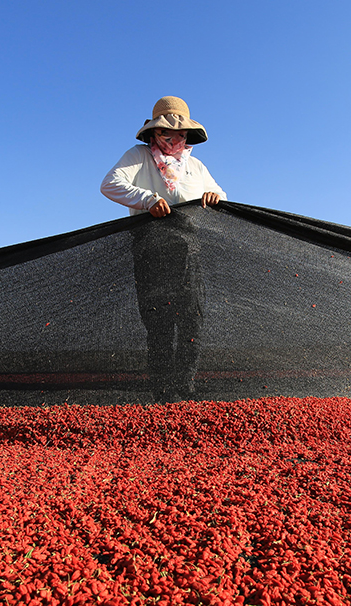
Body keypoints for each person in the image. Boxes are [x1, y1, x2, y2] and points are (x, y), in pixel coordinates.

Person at [100, 97, 226, 401]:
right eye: (166, 134)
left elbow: (222, 193)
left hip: (189, 249)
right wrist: (147, 200)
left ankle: (184, 386)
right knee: (158, 320)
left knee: (191, 317)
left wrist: (215, 196)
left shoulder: (195, 166)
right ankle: (161, 389)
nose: (174, 140)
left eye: (180, 135)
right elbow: (110, 184)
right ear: (154, 133)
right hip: (151, 247)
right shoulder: (139, 156)